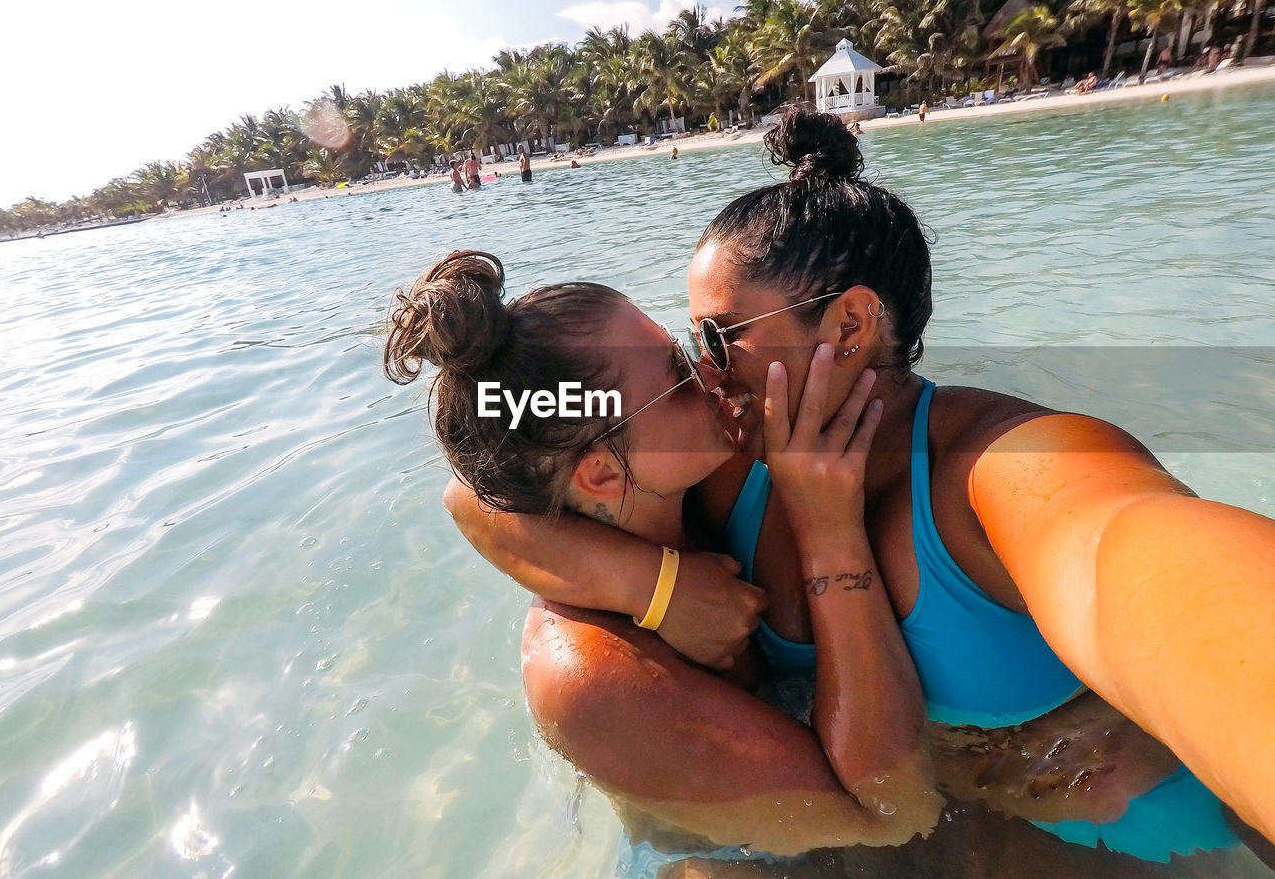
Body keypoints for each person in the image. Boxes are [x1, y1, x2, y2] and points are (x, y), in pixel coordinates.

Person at [446, 113, 1275, 863]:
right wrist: (654, 589)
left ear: (849, 327)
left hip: (1121, 835)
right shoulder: (724, 456)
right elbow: (486, 489)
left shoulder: (1004, 470)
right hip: (913, 817)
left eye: (716, 336)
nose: (703, 369)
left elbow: (1157, 570)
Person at [388, 252, 1207, 878]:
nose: (711, 372)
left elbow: (475, 489)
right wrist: (823, 537)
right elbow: (892, 813)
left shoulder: (684, 488)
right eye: (677, 377)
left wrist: (656, 585)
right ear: (600, 474)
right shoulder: (592, 675)